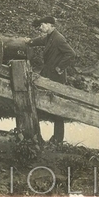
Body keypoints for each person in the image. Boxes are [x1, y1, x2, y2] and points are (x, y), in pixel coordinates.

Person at [25, 16, 76, 144]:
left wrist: (59, 68)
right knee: (41, 101)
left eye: (42, 25)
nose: (40, 28)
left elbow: (71, 53)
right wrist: (29, 42)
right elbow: (41, 40)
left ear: (49, 25)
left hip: (56, 77)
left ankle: (58, 139)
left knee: (57, 107)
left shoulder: (58, 38)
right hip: (48, 75)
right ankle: (39, 134)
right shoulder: (50, 36)